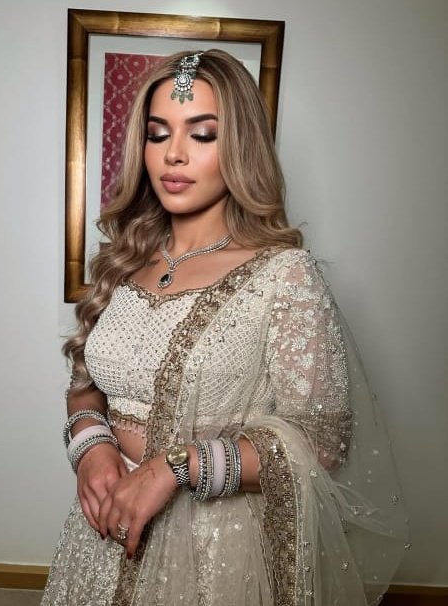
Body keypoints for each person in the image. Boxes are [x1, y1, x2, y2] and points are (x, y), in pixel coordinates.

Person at [42, 49, 408, 606]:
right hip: (105, 526)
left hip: (212, 546)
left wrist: (174, 468)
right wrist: (91, 449)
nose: (174, 153)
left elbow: (322, 443)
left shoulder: (284, 275)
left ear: (239, 146)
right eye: (158, 134)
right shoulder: (125, 260)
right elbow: (86, 386)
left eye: (203, 134)